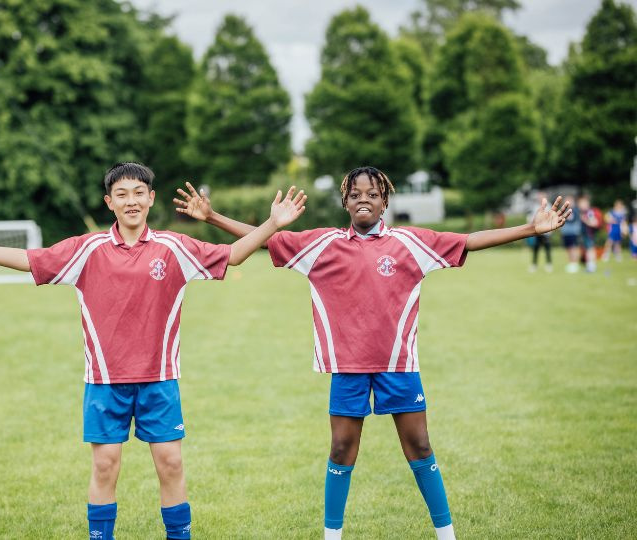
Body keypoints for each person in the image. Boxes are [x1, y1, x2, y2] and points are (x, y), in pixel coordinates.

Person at [174, 167, 571, 540]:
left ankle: (446, 534)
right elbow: (267, 239)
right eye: (356, 193)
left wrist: (531, 229)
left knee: (419, 445)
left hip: (399, 367)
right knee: (342, 450)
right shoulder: (321, 245)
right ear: (345, 201)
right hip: (346, 369)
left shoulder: (410, 243)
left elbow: (468, 242)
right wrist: (212, 217)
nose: (364, 199)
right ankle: (332, 536)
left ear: (385, 202)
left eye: (374, 194)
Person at [0, 162, 306, 540]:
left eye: (139, 193)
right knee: (106, 466)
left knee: (171, 464)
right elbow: (31, 260)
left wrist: (272, 223)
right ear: (109, 202)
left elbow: (233, 255)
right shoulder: (87, 249)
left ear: (151, 198)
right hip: (105, 382)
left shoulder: (174, 247)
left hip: (159, 380)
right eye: (122, 195)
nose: (131, 201)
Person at [527, 192, 553, 273]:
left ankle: (549, 264)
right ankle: (534, 265)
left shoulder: (549, 206)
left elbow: (551, 218)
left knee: (547, 248)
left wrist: (550, 230)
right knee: (536, 248)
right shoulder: (535, 206)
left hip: (546, 232)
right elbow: (531, 217)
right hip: (537, 232)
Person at [577, 195, 602, 272]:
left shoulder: (590, 212)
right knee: (587, 250)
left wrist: (585, 220)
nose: (580, 205)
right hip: (584, 234)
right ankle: (589, 266)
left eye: (582, 203)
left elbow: (594, 223)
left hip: (589, 234)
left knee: (590, 250)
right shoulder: (582, 212)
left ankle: (591, 267)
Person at [559, 196, 582, 273]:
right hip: (565, 232)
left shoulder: (575, 210)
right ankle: (571, 263)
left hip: (573, 232)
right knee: (568, 248)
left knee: (573, 248)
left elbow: (573, 220)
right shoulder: (563, 211)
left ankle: (574, 263)